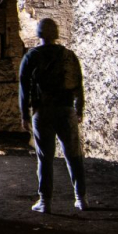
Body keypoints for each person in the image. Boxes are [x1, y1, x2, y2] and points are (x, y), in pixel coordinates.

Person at [18, 17, 87, 213]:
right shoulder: (68, 56)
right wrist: (79, 109)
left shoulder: (31, 57)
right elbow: (77, 84)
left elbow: (24, 88)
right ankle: (81, 198)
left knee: (45, 157)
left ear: (38, 34)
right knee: (74, 155)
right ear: (56, 33)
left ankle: (45, 201)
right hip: (66, 110)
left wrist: (24, 114)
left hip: (43, 111)